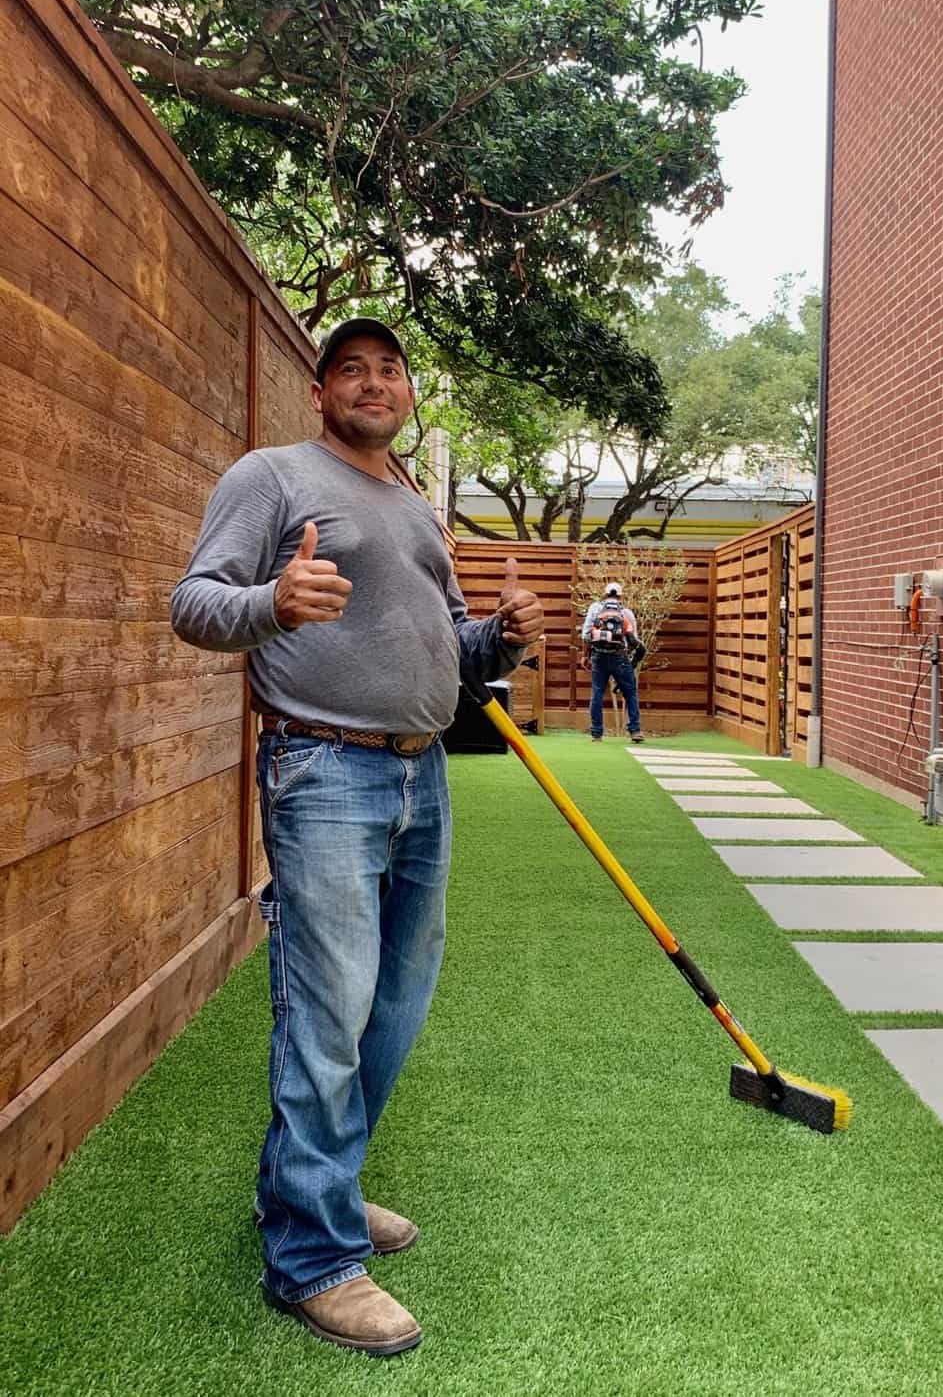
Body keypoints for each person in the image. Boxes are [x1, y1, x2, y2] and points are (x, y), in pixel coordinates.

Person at [170, 318, 543, 1359]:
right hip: (325, 770)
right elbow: (193, 604)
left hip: (422, 771)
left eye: (390, 369)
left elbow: (444, 648)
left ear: (409, 395)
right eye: (351, 369)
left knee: (395, 1002)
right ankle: (311, 1260)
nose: (373, 382)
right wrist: (275, 602)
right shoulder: (273, 476)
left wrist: (495, 638)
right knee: (329, 1008)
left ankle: (313, 1190)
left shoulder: (413, 505)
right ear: (320, 392)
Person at [580, 581, 646, 743]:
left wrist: (585, 656)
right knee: (630, 693)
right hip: (620, 657)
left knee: (597, 693)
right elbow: (633, 640)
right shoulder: (626, 613)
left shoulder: (595, 609)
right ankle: (635, 731)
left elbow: (586, 635)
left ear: (605, 594)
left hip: (599, 657)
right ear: (620, 596)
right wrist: (628, 659)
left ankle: (596, 733)